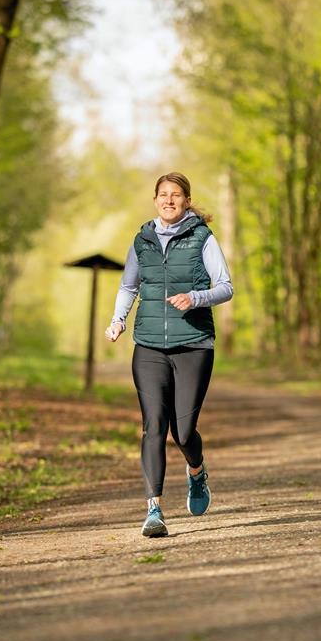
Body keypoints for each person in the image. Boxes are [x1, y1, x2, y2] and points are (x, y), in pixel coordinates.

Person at [105, 172, 234, 537]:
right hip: (148, 345)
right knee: (153, 426)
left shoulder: (202, 237)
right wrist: (118, 320)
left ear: (187, 201)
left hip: (193, 344)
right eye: (163, 195)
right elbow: (129, 285)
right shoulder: (142, 239)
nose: (169, 200)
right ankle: (153, 510)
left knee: (183, 430)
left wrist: (196, 298)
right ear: (155, 200)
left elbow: (225, 287)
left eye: (176, 195)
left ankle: (197, 472)